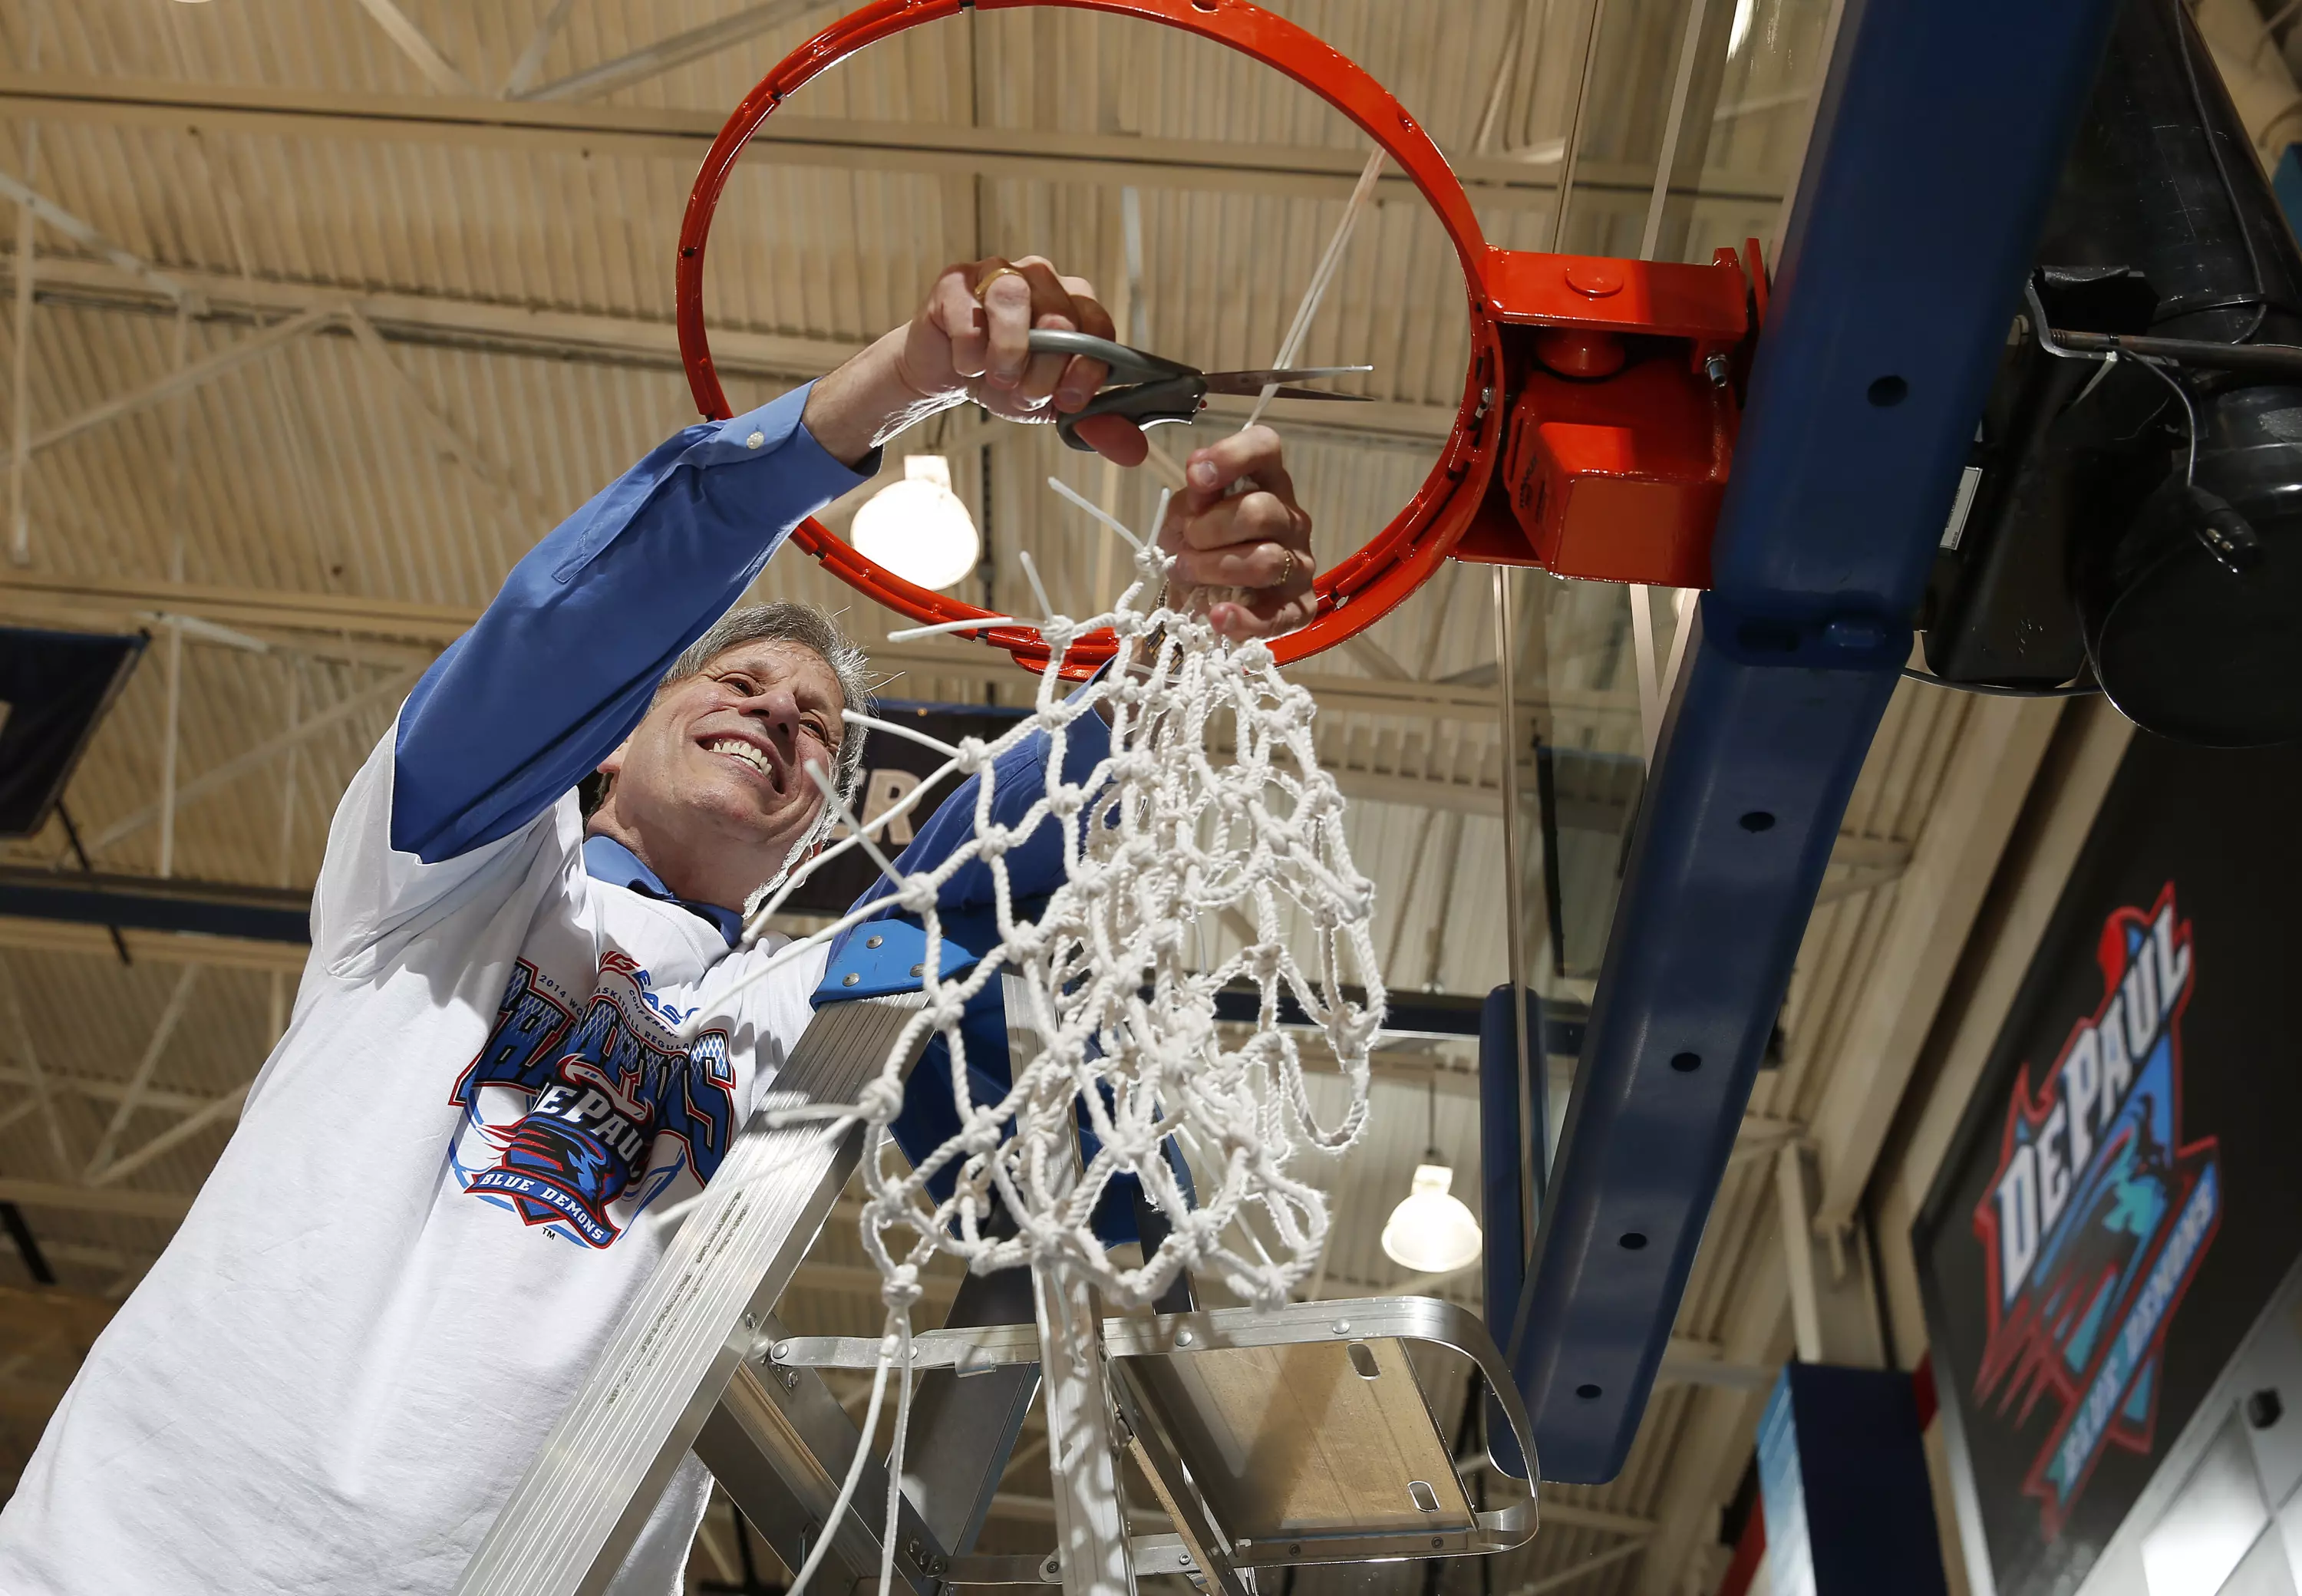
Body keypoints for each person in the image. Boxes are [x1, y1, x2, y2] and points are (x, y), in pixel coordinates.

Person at [0, 257, 1318, 1594]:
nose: (779, 714)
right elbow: (572, 627)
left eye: (818, 728)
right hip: (137, 1555)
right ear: (613, 740)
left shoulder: (800, 1011)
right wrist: (899, 383)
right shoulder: (450, 868)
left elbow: (979, 862)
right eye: (738, 682)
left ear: (818, 824)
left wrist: (1179, 636)